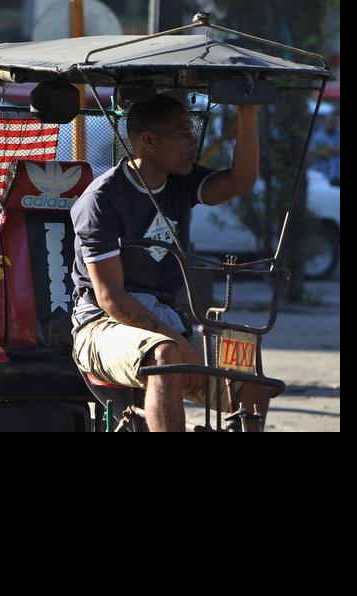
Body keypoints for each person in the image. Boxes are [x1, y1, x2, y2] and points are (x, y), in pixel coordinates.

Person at [71, 94, 272, 432]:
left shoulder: (180, 182)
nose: (194, 141)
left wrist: (247, 114)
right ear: (148, 141)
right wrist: (180, 347)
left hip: (170, 323)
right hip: (101, 326)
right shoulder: (101, 200)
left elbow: (241, 181)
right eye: (183, 133)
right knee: (166, 357)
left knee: (249, 374)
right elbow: (111, 299)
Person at [310, 108, 340, 186]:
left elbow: (326, 151)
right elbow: (321, 153)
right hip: (322, 179)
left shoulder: (338, 135)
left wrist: (329, 149)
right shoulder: (318, 136)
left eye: (335, 122)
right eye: (331, 121)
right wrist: (335, 150)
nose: (333, 124)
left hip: (338, 179)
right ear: (325, 121)